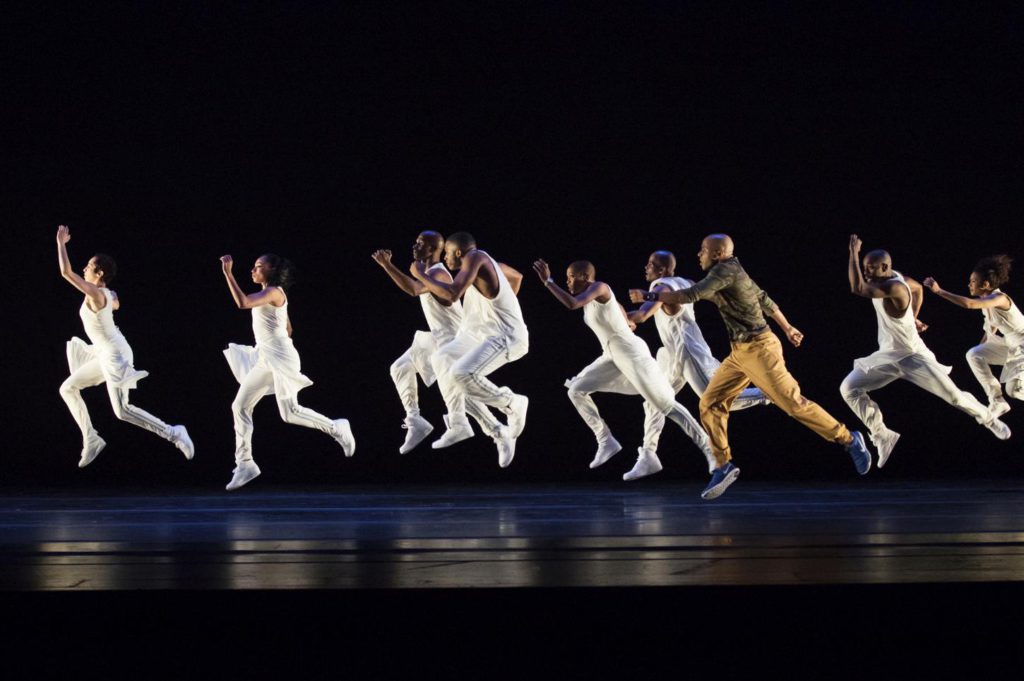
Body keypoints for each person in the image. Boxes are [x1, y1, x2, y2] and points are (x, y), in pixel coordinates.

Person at [630, 234, 870, 500]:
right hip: (740, 352)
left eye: (703, 250)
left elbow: (693, 294)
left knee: (794, 404)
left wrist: (648, 294)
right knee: (709, 404)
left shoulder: (723, 271)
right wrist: (788, 328)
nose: (699, 254)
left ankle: (848, 438)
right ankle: (723, 465)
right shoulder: (732, 270)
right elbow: (764, 299)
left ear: (718, 253)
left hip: (761, 351)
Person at [840, 236, 1010, 468]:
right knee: (849, 388)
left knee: (954, 396)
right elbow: (919, 288)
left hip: (912, 356)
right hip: (888, 356)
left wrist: (853, 252)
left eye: (870, 269)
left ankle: (988, 418)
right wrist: (913, 317)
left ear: (884, 267)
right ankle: (882, 435)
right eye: (864, 268)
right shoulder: (897, 277)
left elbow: (857, 288)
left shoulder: (894, 286)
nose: (866, 273)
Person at [535, 258, 713, 480]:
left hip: (632, 354)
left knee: (667, 406)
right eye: (566, 278)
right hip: (611, 355)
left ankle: (709, 448)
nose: (567, 281)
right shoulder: (594, 298)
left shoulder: (599, 287)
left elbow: (572, 304)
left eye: (571, 277)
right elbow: (620, 312)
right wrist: (626, 320)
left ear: (585, 276)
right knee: (576, 389)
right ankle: (606, 440)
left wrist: (548, 282)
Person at [56, 225, 194, 468]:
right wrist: (113, 298)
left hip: (115, 355)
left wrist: (61, 243)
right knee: (68, 388)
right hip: (105, 352)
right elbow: (115, 304)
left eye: (89, 266)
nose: (84, 268)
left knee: (122, 411)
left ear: (98, 274)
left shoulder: (96, 294)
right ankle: (91, 439)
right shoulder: (105, 294)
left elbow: (66, 273)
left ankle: (174, 433)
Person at [220, 253, 355, 491]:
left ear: (271, 271)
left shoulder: (274, 292)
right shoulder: (272, 295)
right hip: (266, 358)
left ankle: (337, 428)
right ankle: (245, 463)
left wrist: (228, 274)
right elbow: (289, 328)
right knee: (239, 406)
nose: (253, 270)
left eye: (258, 267)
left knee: (289, 413)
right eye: (253, 266)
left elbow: (242, 303)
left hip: (280, 358)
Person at [628, 250, 767, 468]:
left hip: (688, 353)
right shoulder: (684, 281)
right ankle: (648, 454)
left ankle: (766, 393)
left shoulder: (660, 287)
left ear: (662, 269)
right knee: (654, 400)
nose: (646, 267)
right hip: (674, 354)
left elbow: (642, 315)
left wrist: (614, 314)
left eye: (650, 264)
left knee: (713, 399)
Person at [410, 232, 528, 467]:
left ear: (458, 253)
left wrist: (420, 274)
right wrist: (499, 299)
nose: (444, 259)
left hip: (505, 337)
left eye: (446, 254)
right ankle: (464, 424)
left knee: (460, 374)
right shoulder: (485, 264)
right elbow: (516, 277)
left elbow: (452, 295)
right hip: (477, 336)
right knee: (441, 359)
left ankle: (512, 402)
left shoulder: (475, 257)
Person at [372, 231, 463, 454]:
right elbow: (416, 285)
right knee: (400, 368)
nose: (415, 246)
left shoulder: (439, 274)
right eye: (416, 242)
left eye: (420, 244)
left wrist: (387, 265)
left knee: (465, 396)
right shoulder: (428, 272)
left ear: (433, 250)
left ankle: (508, 408)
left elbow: (414, 289)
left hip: (453, 342)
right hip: (436, 338)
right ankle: (415, 421)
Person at [923, 255, 1023, 416]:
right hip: (1012, 345)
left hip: (1022, 346)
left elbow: (969, 304)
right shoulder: (987, 303)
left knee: (1014, 390)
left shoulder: (1000, 298)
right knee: (974, 354)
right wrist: (981, 351)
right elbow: (990, 332)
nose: (969, 284)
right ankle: (997, 400)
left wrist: (939, 291)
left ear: (986, 284)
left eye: (973, 281)